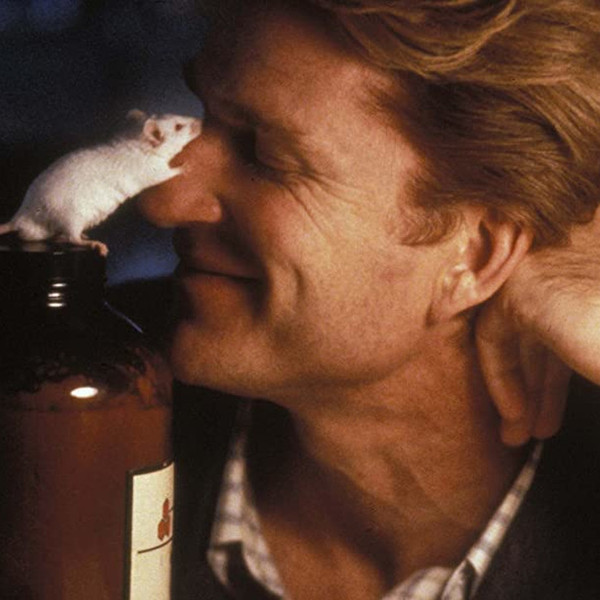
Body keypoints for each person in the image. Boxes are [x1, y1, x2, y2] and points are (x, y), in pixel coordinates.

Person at [136, 0, 600, 598]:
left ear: (479, 255)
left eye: (265, 157)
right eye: (199, 119)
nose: (163, 203)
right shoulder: (69, 403)